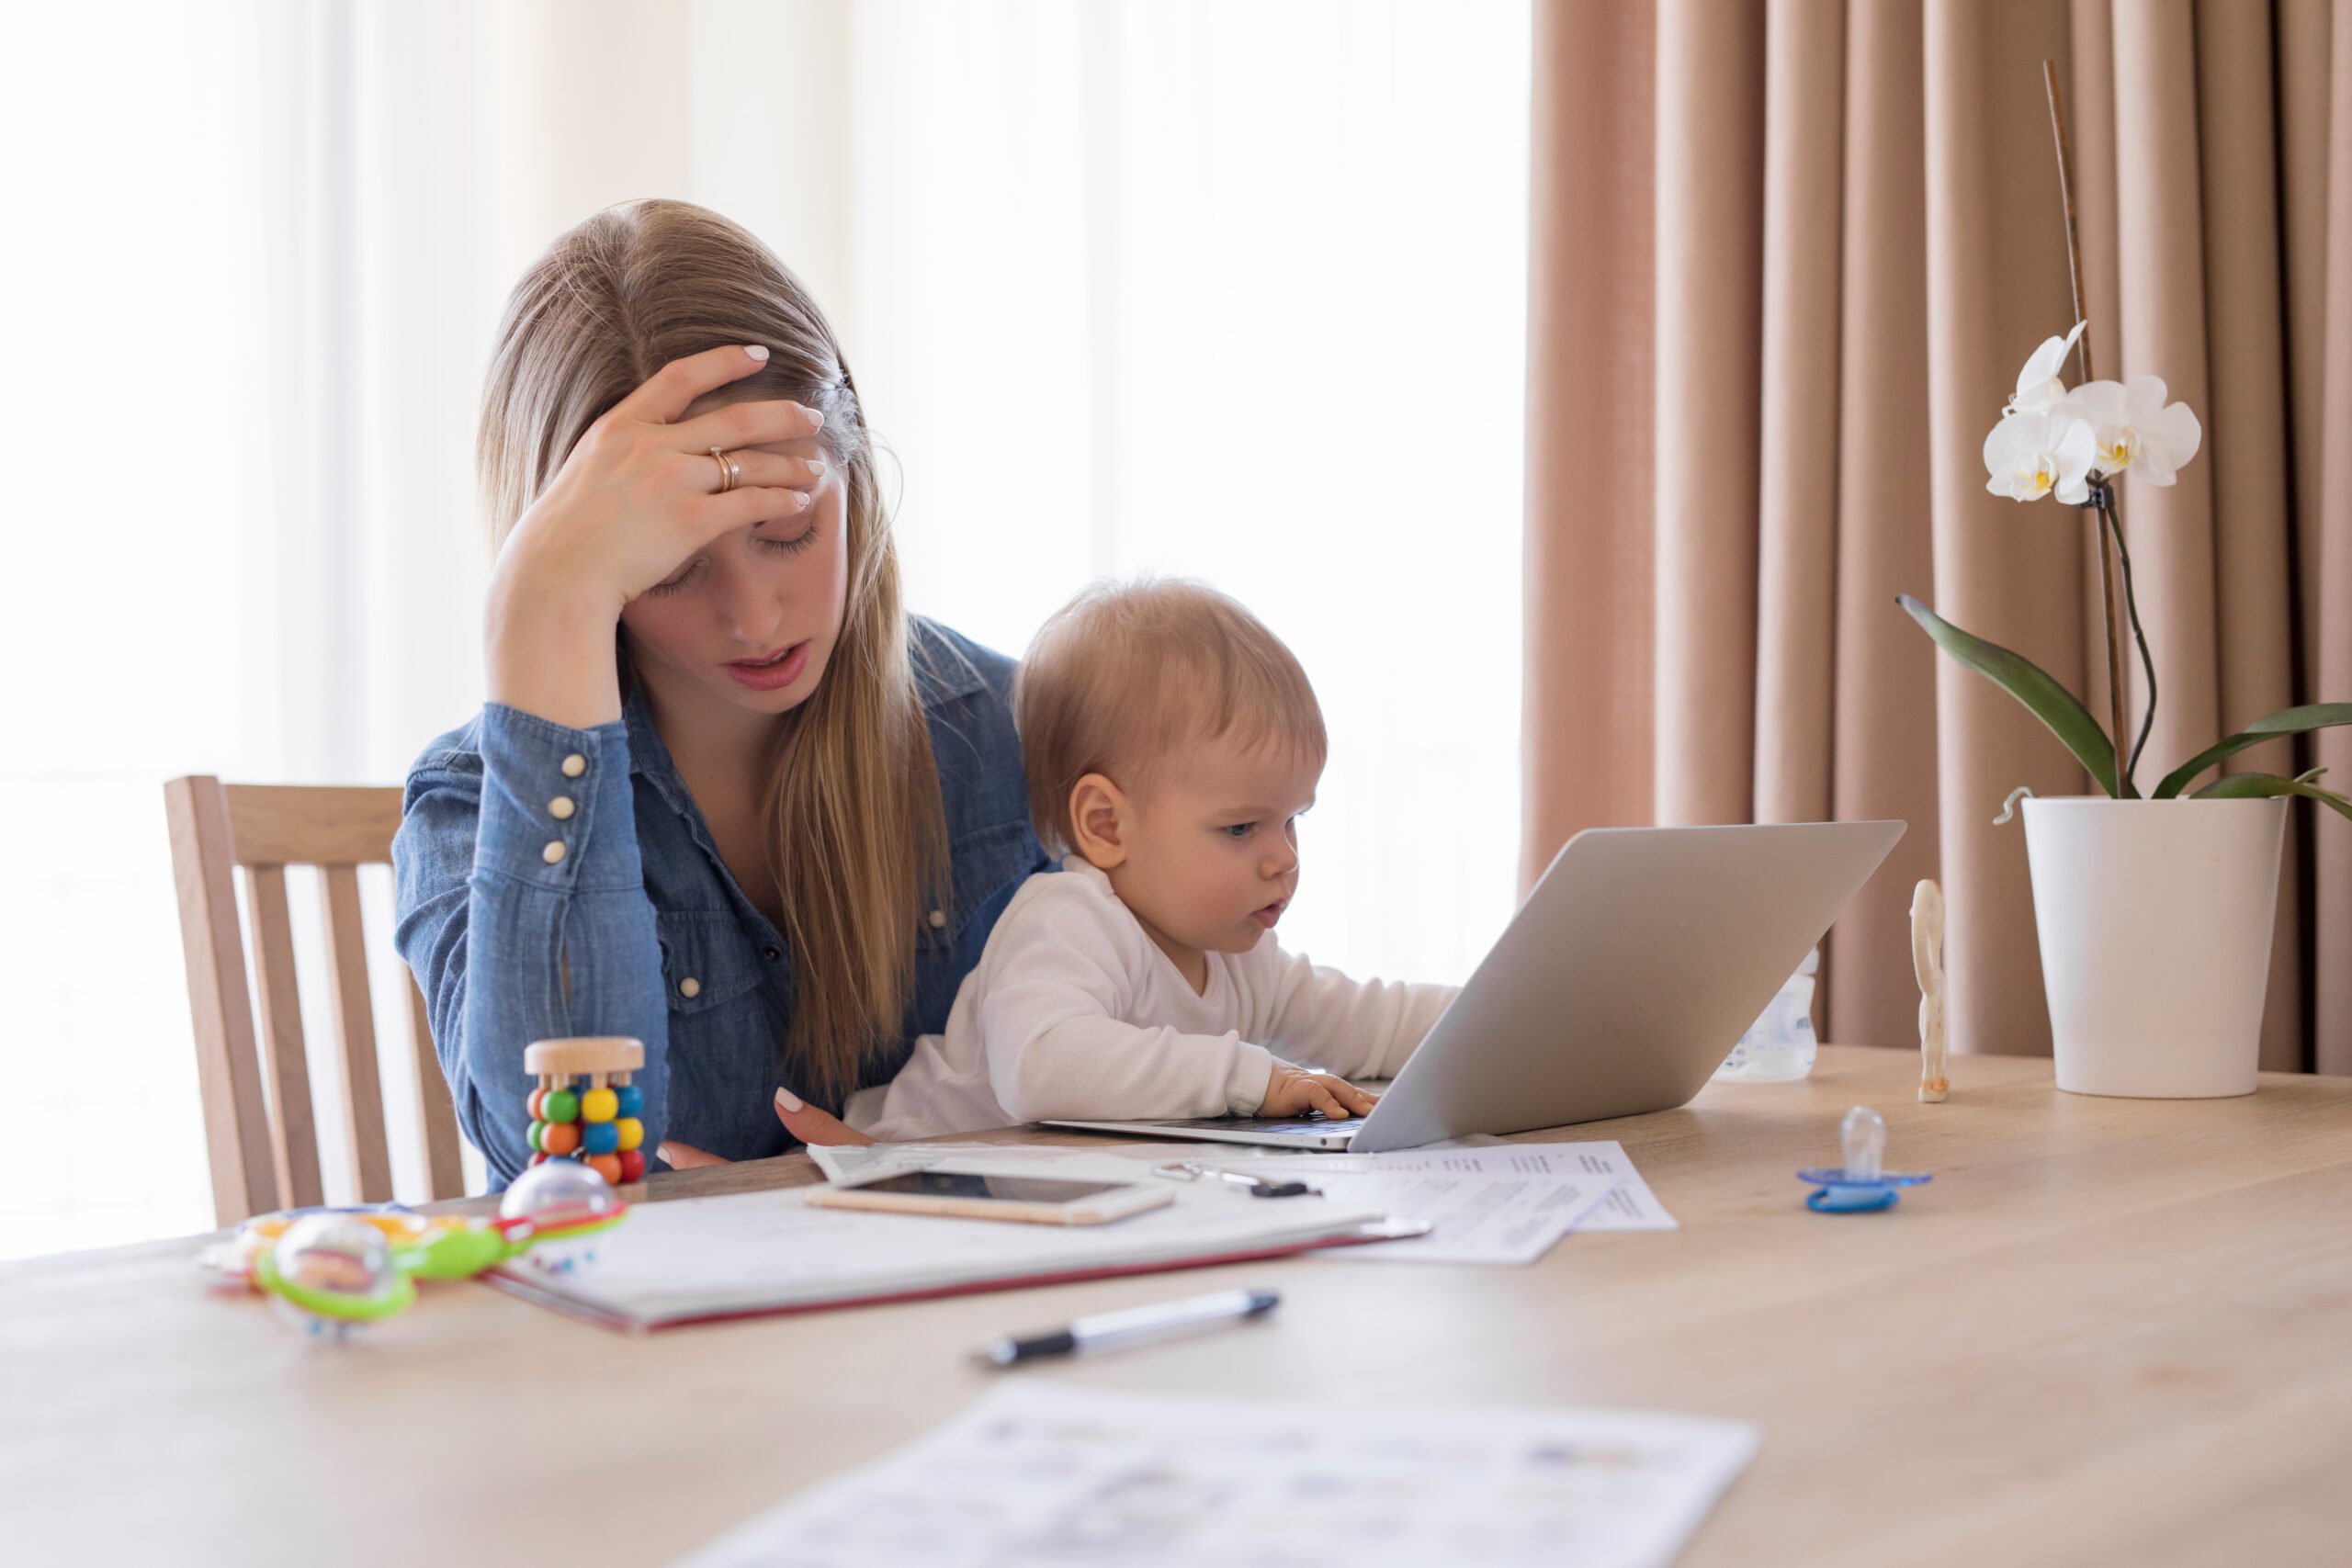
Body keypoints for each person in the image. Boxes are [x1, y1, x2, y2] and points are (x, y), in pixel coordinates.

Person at [392, 199, 1046, 1182]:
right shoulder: (472, 804)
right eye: (669, 569)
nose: (755, 617)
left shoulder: (1007, 732)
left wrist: (909, 1180)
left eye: (786, 531)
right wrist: (533, 615)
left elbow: (1165, 1081)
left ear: (854, 477)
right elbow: (561, 1164)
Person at [820, 578, 1459, 1145]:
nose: (1283, 859)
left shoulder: (1240, 956)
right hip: (910, 1179)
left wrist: (1520, 1019)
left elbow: (1370, 1021)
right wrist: (1248, 1077)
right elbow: (1040, 1068)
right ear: (1105, 825)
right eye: (1241, 826)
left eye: (1292, 819)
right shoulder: (1067, 922)